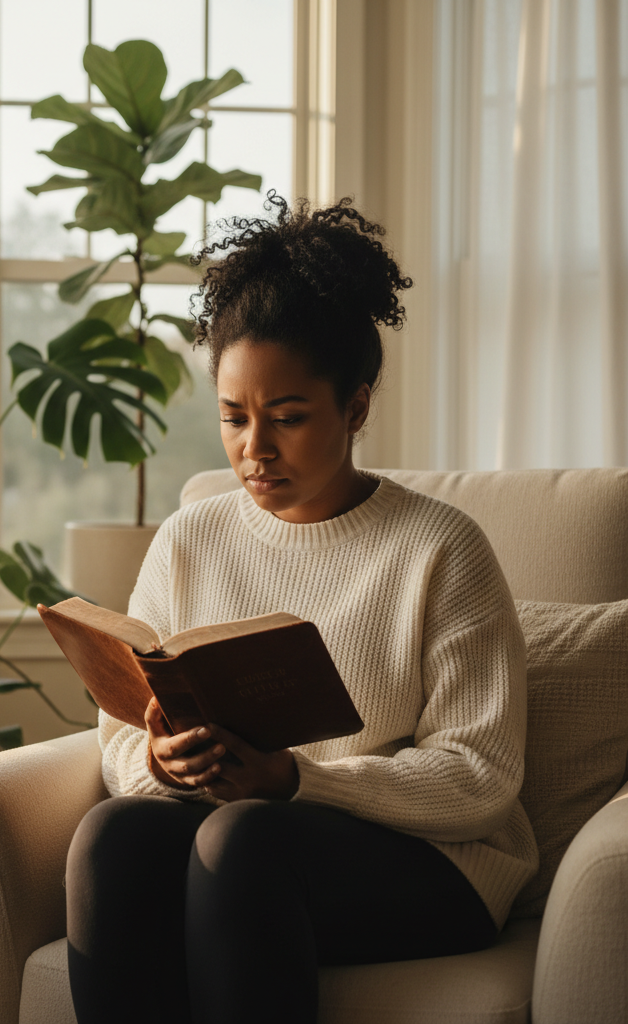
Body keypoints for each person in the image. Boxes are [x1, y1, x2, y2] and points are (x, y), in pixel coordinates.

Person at [64, 195, 538, 1024]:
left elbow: (481, 779)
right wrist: (160, 764)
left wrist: (295, 779)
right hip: (244, 836)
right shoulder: (190, 539)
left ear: (355, 409)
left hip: (433, 862)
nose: (255, 449)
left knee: (243, 840)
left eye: (286, 418)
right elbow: (119, 743)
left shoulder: (441, 550)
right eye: (233, 418)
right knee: (114, 840)